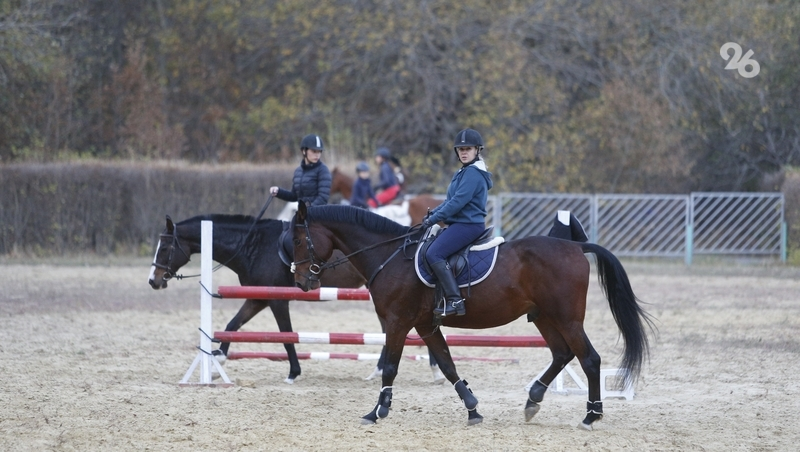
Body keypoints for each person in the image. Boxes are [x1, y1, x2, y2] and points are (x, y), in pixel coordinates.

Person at [421, 128, 493, 317]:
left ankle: (455, 300)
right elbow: (449, 200)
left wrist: (434, 220)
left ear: (477, 150)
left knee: (434, 253)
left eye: (468, 148)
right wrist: (432, 215)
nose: (463, 152)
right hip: (459, 224)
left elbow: (457, 203)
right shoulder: (463, 172)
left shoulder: (473, 174)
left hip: (468, 225)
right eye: (460, 149)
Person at [270, 134, 331, 206]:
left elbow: (323, 198)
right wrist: (279, 192)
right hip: (303, 214)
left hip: (318, 214)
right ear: (304, 151)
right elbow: (294, 196)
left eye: (319, 151)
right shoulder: (298, 172)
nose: (317, 155)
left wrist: (307, 210)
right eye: (314, 151)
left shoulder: (323, 170)